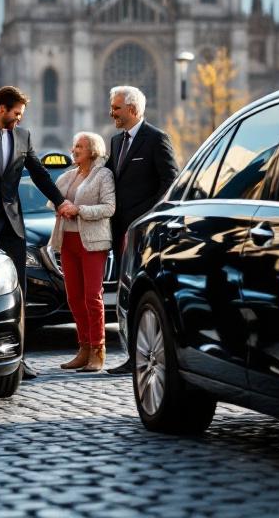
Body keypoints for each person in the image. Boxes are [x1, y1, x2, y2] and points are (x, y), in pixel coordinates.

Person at [0, 85, 72, 379]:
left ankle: (19, 359)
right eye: (16, 114)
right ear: (1, 109)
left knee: (17, 292)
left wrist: (61, 201)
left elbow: (38, 173)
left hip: (14, 224)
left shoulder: (23, 136)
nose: (18, 119)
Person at [104, 85, 179, 375]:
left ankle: (140, 354)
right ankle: (131, 354)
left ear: (133, 109)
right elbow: (109, 178)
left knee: (140, 294)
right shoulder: (115, 141)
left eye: (116, 108)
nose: (111, 113)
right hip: (120, 231)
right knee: (126, 295)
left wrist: (145, 220)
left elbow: (169, 183)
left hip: (143, 233)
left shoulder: (156, 139)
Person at [51, 132, 116, 372]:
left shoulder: (103, 175)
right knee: (74, 298)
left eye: (80, 146)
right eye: (74, 145)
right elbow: (54, 201)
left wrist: (79, 210)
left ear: (92, 150)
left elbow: (109, 207)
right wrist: (62, 206)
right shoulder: (69, 175)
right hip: (67, 241)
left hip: (92, 242)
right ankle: (84, 347)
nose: (74, 149)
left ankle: (98, 349)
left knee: (92, 297)